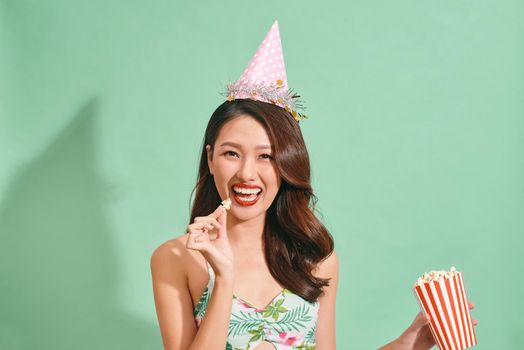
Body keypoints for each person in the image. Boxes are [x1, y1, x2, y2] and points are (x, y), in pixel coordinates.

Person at [150, 21, 477, 350]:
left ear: (287, 165)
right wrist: (223, 277)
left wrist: (407, 344)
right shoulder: (176, 258)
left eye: (267, 156)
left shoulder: (315, 258)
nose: (247, 173)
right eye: (231, 153)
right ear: (210, 158)